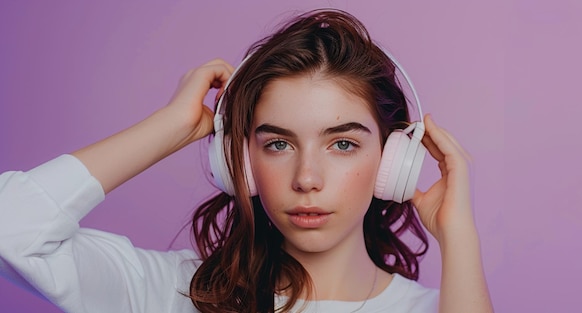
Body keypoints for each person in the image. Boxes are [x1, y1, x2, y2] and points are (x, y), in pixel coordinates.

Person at [0, 9, 493, 313]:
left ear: (393, 162)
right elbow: (10, 229)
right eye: (278, 143)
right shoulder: (169, 293)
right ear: (236, 158)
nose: (306, 179)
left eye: (342, 143)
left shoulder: (438, 307)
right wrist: (173, 126)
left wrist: (459, 236)